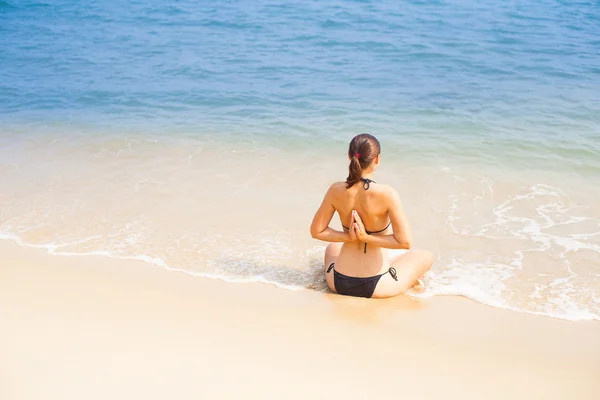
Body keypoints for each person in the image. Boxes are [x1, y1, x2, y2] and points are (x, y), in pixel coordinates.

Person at [310, 133, 434, 298]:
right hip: (378, 285)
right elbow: (405, 242)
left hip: (338, 282)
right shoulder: (387, 193)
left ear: (349, 156)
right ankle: (393, 268)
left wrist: (349, 237)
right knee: (425, 256)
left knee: (333, 247)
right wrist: (366, 238)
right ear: (377, 159)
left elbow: (316, 231)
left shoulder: (335, 190)